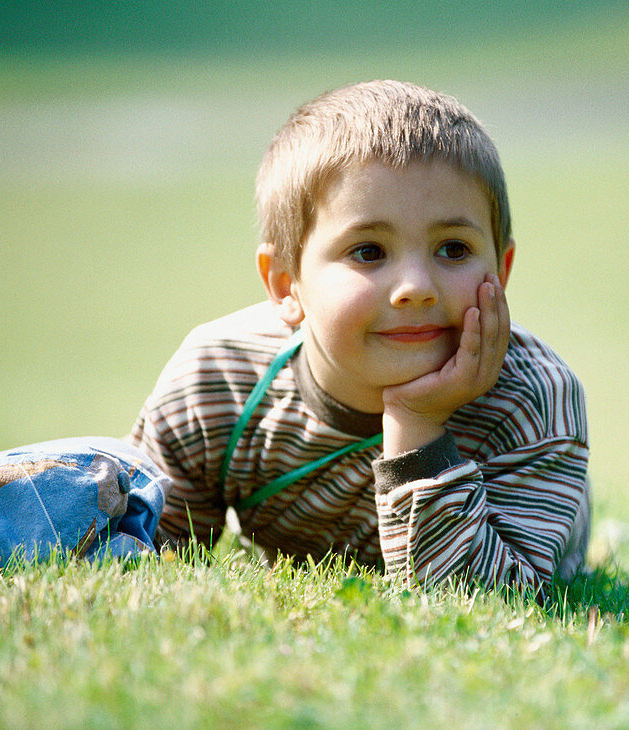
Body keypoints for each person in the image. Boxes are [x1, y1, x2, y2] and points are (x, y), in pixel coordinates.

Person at [129, 80, 590, 595]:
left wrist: (418, 426)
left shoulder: (531, 398)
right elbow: (142, 557)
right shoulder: (215, 383)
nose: (415, 287)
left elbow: (491, 602)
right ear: (285, 283)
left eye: (454, 249)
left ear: (500, 271)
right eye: (369, 252)